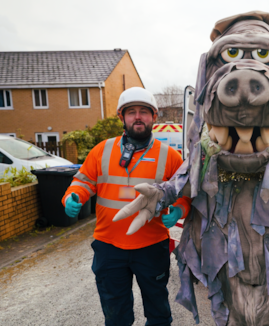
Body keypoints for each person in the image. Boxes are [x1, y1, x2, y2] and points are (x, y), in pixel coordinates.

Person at [62, 87, 191, 326]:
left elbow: (184, 193)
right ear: (122, 117)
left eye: (144, 112)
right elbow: (83, 181)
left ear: (154, 117)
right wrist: (74, 196)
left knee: (158, 310)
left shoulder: (170, 156)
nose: (138, 117)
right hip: (109, 246)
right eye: (131, 112)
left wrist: (179, 210)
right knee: (116, 313)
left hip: (151, 246)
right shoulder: (102, 150)